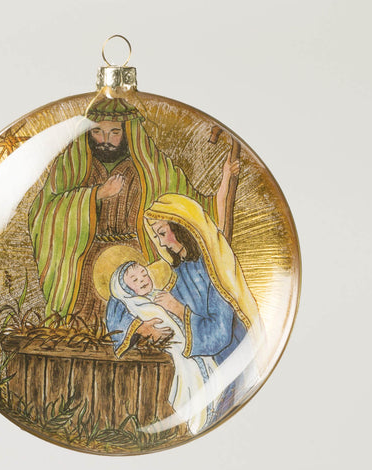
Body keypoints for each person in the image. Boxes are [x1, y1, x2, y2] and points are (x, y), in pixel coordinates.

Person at [28, 97, 240, 323]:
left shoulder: (153, 169)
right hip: (86, 269)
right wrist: (96, 194)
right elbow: (43, 212)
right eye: (97, 132)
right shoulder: (72, 166)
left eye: (114, 133)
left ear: (128, 132)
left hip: (142, 263)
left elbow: (198, 213)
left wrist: (226, 178)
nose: (105, 141)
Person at [142, 194, 267, 416]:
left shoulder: (214, 269)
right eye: (156, 236)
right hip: (209, 366)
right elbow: (170, 315)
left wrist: (177, 308)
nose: (160, 243)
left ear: (181, 227)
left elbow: (219, 332)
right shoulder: (180, 272)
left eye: (162, 233)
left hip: (233, 359)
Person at [107, 261, 219, 434]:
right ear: (125, 288)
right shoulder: (130, 304)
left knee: (209, 371)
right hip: (174, 351)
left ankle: (209, 413)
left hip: (188, 346)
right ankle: (193, 420)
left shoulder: (159, 296)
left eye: (144, 274)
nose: (142, 280)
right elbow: (118, 323)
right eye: (135, 280)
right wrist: (141, 328)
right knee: (188, 379)